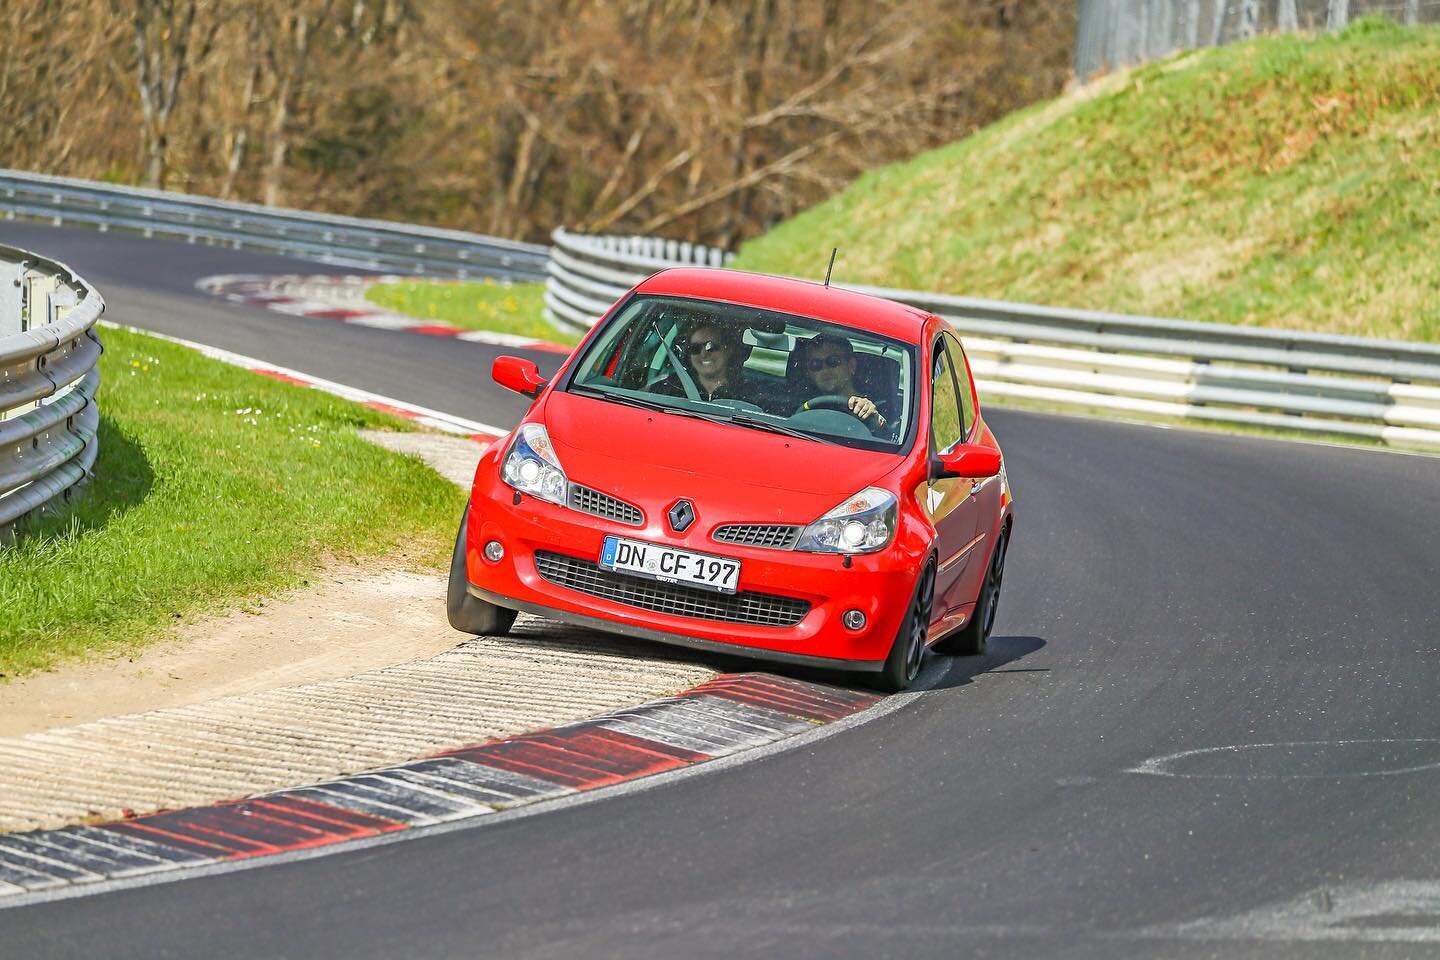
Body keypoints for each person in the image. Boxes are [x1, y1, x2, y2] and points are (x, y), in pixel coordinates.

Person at [651, 317, 758, 404]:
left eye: (711, 347)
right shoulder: (669, 387)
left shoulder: (749, 395)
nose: (703, 354)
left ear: (729, 349)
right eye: (695, 348)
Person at [793, 332, 887, 431]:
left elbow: (888, 436)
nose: (825, 370)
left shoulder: (876, 407)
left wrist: (874, 419)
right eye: (815, 364)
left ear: (851, 366)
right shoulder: (799, 405)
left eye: (833, 361)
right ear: (809, 372)